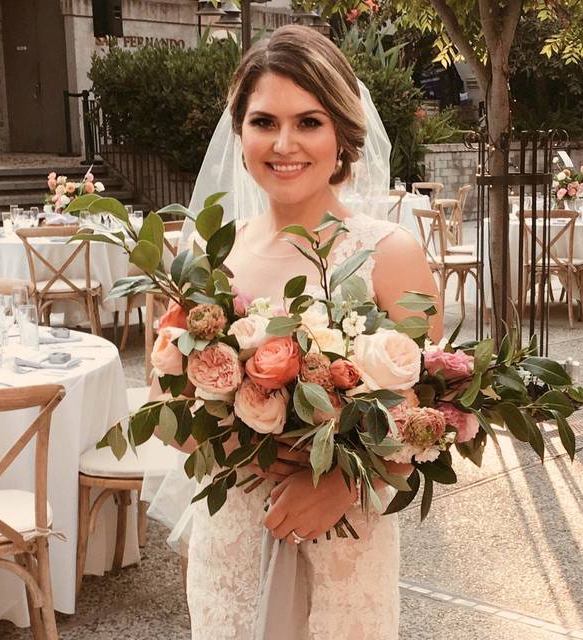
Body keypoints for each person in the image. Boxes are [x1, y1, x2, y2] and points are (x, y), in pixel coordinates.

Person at [159, 25, 442, 639]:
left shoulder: (389, 254)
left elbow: (429, 415)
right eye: (264, 122)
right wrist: (242, 446)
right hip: (234, 536)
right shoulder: (209, 257)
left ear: (342, 133)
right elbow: (169, 411)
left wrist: (340, 483)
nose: (284, 143)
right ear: (240, 135)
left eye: (308, 122)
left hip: (343, 544)